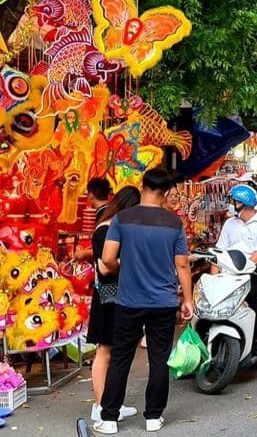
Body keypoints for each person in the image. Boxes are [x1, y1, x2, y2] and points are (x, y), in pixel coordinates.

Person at [94, 167, 194, 435]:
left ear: (142, 185)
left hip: (128, 301)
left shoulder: (123, 219)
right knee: (159, 359)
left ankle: (109, 419)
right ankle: (153, 417)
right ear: (166, 192)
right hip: (163, 302)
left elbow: (107, 258)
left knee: (120, 359)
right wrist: (188, 300)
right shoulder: (174, 224)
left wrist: (121, 270)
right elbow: (182, 265)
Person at [86, 186, 141, 425]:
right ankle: (100, 406)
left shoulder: (117, 228)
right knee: (105, 351)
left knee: (120, 352)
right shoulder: (105, 229)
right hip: (108, 299)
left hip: (122, 297)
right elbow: (105, 266)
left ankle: (113, 403)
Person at [214, 184, 257, 355]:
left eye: (233, 201)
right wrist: (215, 277)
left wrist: (240, 270)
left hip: (253, 273)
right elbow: (219, 250)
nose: (231, 204)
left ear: (241, 203)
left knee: (250, 296)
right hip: (227, 273)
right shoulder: (230, 224)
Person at [79, 178, 113, 251]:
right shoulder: (111, 212)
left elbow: (104, 251)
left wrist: (86, 254)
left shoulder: (104, 216)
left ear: (91, 196)